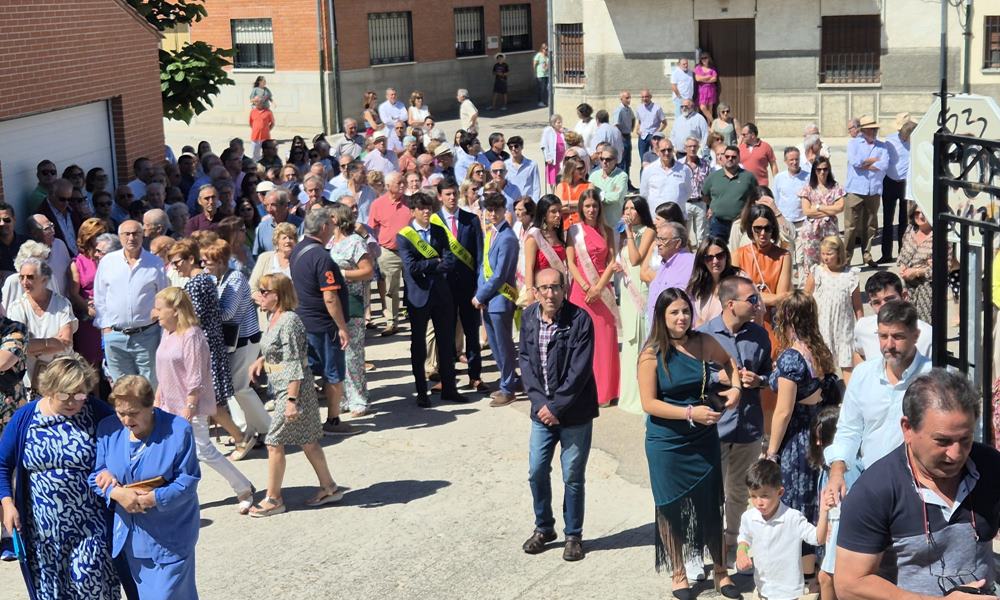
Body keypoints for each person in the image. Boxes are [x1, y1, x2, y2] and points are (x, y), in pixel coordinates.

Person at [836, 369, 1000, 599]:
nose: (955, 454)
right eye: (942, 441)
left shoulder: (991, 467)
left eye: (965, 440)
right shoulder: (875, 490)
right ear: (908, 429)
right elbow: (849, 586)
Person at [638, 287, 742, 599]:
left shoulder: (702, 342)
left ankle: (721, 572)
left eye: (685, 311)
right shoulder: (650, 353)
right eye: (674, 312)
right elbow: (649, 403)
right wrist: (688, 412)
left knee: (711, 505)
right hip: (666, 442)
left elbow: (729, 362)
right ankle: (678, 572)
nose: (682, 317)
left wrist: (735, 389)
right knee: (670, 508)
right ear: (662, 316)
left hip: (702, 436)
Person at [0, 356, 121, 598]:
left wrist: (111, 470)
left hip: (90, 527)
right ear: (49, 389)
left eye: (79, 395)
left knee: (92, 586)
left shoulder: (95, 411)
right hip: (42, 534)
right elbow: (2, 464)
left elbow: (123, 445)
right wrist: (7, 503)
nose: (73, 402)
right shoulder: (26, 418)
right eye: (65, 395)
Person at [90, 375, 200, 600]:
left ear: (150, 406)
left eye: (133, 413)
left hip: (173, 534)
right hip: (134, 540)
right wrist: (116, 492)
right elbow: (96, 476)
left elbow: (188, 481)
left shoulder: (178, 429)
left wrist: (152, 499)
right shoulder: (108, 429)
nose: (126, 420)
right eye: (121, 412)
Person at [518, 267, 598, 562]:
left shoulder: (580, 321)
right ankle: (544, 528)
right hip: (541, 412)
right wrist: (540, 403)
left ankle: (573, 535)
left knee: (573, 476)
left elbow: (579, 371)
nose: (550, 294)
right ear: (535, 292)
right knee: (537, 470)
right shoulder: (528, 318)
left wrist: (556, 406)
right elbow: (525, 361)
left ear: (565, 289)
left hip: (574, 412)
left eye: (555, 287)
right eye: (544, 288)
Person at [152, 287, 254, 514]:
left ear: (175, 310)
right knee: (171, 454)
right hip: (168, 404)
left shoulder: (192, 335)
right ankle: (177, 499)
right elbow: (163, 371)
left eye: (159, 309)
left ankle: (244, 487)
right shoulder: (166, 332)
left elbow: (195, 376)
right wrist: (158, 400)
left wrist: (189, 407)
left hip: (191, 405)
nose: (155, 313)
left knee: (203, 450)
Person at [248, 273, 342, 515]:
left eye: (264, 291)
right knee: (308, 440)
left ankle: (273, 499)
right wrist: (262, 360)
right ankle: (330, 488)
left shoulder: (289, 321)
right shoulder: (273, 317)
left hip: (291, 392)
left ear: (277, 296)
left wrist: (291, 401)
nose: (259, 295)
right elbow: (279, 350)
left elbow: (296, 362)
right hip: (284, 388)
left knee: (273, 442)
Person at [823, 301, 932, 506]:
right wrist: (837, 473)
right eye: (883, 336)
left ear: (915, 336)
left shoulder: (934, 376)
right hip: (871, 484)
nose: (889, 345)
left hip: (919, 491)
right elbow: (849, 430)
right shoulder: (863, 374)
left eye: (898, 337)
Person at [698, 276, 773, 559]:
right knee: (711, 491)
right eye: (751, 299)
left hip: (749, 426)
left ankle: (733, 542)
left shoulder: (759, 334)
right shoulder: (704, 336)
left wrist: (759, 380)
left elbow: (770, 374)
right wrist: (719, 377)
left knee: (742, 491)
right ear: (731, 304)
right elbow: (691, 380)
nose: (757, 304)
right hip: (716, 426)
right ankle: (709, 542)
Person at [165, 240, 244, 455]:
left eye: (177, 262)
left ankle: (241, 437)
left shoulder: (195, 283)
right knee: (211, 400)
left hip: (204, 347)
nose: (175, 267)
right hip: (211, 344)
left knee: (211, 401)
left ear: (191, 259)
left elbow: (194, 318)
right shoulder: (204, 280)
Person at [290, 207, 358, 436]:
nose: (333, 230)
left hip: (304, 321)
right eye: (331, 225)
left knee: (307, 372)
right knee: (334, 375)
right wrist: (341, 327)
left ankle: (305, 419)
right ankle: (333, 420)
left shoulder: (299, 250)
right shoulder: (322, 257)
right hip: (324, 325)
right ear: (323, 228)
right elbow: (330, 297)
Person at [396, 192, 466, 407]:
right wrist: (433, 263)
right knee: (419, 345)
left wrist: (432, 264)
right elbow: (411, 268)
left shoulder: (438, 230)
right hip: (418, 296)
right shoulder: (405, 236)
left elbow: (449, 261)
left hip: (441, 293)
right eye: (421, 208)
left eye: (428, 208)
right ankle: (421, 392)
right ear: (413, 211)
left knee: (446, 343)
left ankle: (449, 388)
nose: (426, 211)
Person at [736, 459, 830, 600]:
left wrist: (824, 512)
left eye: (764, 496)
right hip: (763, 588)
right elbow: (744, 537)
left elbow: (818, 538)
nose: (758, 502)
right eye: (753, 496)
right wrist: (741, 553)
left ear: (780, 492)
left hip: (789, 592)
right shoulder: (749, 517)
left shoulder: (793, 518)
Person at [94, 220, 168, 386]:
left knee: (150, 387)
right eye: (127, 234)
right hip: (115, 336)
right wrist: (106, 328)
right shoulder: (108, 262)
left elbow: (163, 297)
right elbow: (100, 297)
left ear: (143, 236)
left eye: (136, 233)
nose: (131, 238)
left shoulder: (155, 263)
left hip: (147, 335)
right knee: (122, 389)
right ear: (120, 237)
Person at [565, 190, 621, 407]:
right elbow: (570, 262)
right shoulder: (574, 231)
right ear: (581, 208)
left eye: (594, 206)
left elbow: (612, 260)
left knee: (605, 340)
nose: (591, 210)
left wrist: (598, 287)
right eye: (587, 206)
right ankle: (583, 390)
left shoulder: (607, 231)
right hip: (581, 290)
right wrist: (587, 286)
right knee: (582, 341)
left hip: (602, 289)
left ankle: (606, 390)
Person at [432, 179, 485, 390]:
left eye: (454, 193)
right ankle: (447, 378)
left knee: (471, 332)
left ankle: (475, 376)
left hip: (467, 285)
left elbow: (479, 255)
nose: (452, 198)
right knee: (445, 333)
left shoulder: (471, 220)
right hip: (444, 287)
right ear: (439, 197)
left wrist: (479, 286)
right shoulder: (434, 221)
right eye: (447, 194)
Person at [328, 203, 374, 416]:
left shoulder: (355, 242)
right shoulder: (328, 242)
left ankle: (359, 399)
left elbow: (367, 271)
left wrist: (343, 274)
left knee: (353, 354)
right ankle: (343, 397)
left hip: (351, 302)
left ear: (337, 219)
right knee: (336, 354)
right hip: (330, 302)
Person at [476, 192, 521, 407]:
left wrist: (480, 295)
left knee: (504, 346)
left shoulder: (508, 237)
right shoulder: (491, 233)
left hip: (501, 299)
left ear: (505, 210)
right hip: (489, 299)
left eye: (497, 210)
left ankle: (508, 387)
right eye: (489, 210)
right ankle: (507, 380)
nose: (493, 214)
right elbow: (483, 267)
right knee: (495, 346)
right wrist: (480, 293)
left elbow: (500, 274)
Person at [7, 258, 77, 389]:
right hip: (32, 380)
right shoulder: (16, 308)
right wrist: (51, 342)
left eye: (30, 277)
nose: (24, 282)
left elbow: (66, 343)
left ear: (44, 280)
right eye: (21, 277)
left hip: (62, 376)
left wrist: (34, 345)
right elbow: (20, 347)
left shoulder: (62, 304)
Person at [732, 204, 791, 360]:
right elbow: (735, 295)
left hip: (773, 321)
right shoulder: (739, 255)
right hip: (745, 322)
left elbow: (782, 296)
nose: (763, 233)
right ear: (750, 229)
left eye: (767, 228)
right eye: (757, 228)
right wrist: (769, 297)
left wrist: (752, 296)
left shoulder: (783, 256)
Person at [804, 235, 862, 381]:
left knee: (847, 362)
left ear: (839, 254)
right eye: (823, 254)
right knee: (821, 363)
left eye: (829, 254)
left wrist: (861, 326)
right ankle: (821, 394)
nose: (825, 257)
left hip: (843, 327)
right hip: (822, 325)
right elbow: (805, 298)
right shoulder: (817, 272)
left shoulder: (850, 275)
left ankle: (850, 397)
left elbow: (857, 305)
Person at [617, 196, 656, 414]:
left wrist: (630, 232)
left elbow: (635, 259)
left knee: (640, 336)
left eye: (633, 208)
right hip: (625, 288)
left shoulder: (647, 231)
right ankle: (628, 392)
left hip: (639, 291)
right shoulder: (625, 232)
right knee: (629, 338)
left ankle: (642, 394)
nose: (629, 212)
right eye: (627, 208)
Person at [852, 271, 933, 364]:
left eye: (889, 299)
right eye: (877, 303)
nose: (884, 307)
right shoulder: (863, 328)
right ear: (871, 304)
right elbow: (858, 353)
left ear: (904, 296)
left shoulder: (927, 334)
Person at [843, 115, 889, 267]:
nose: (874, 132)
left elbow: (884, 165)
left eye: (875, 129)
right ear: (863, 130)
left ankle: (867, 255)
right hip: (855, 190)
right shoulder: (853, 144)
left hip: (873, 191)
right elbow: (855, 162)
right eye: (871, 129)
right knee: (851, 226)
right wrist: (874, 160)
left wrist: (867, 163)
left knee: (870, 225)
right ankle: (847, 258)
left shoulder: (882, 146)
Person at [368, 172, 409, 335]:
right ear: (388, 186)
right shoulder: (377, 204)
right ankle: (392, 322)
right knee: (390, 289)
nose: (402, 185)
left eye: (403, 182)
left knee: (414, 286)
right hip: (388, 251)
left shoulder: (411, 202)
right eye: (399, 182)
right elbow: (372, 227)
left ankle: (418, 315)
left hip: (410, 252)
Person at [641, 221, 696, 334]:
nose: (658, 244)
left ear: (677, 243)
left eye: (663, 240)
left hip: (681, 334)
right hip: (657, 332)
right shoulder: (663, 265)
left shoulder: (691, 262)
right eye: (657, 239)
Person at [67, 218, 108, 370]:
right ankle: (95, 394)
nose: (102, 238)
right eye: (98, 235)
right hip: (89, 318)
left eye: (104, 234)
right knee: (91, 363)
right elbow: (73, 293)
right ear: (88, 237)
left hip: (110, 314)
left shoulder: (110, 258)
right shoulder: (77, 262)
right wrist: (88, 309)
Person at [797, 155, 846, 275]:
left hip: (830, 229)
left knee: (831, 258)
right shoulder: (808, 188)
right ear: (814, 171)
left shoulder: (835, 187)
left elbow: (840, 207)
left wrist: (819, 207)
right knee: (811, 262)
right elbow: (807, 211)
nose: (822, 172)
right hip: (811, 231)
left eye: (825, 169)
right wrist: (830, 210)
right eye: (819, 169)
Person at [701, 145, 757, 239]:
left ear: (739, 158)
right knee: (717, 250)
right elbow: (705, 195)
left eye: (734, 157)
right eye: (727, 156)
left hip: (740, 222)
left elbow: (755, 196)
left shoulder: (748, 177)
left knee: (738, 251)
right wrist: (714, 205)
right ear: (723, 158)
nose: (730, 159)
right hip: (718, 223)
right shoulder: (713, 177)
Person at [881, 115, 915, 262]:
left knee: (904, 221)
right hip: (889, 181)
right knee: (887, 221)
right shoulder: (889, 140)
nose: (904, 139)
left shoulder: (916, 141)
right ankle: (886, 254)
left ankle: (902, 254)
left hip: (905, 183)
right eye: (902, 135)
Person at [897, 203, 938, 324]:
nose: (920, 216)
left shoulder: (939, 236)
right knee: (905, 323)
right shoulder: (910, 229)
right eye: (917, 213)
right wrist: (903, 266)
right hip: (907, 286)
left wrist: (916, 271)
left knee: (924, 325)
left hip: (927, 288)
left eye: (924, 213)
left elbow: (942, 267)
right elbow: (903, 252)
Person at [688, 236, 740, 329]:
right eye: (709, 258)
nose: (715, 261)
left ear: (726, 256)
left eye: (720, 256)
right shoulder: (697, 285)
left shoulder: (740, 280)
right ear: (703, 261)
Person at [640, 137, 693, 212]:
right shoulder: (648, 170)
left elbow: (688, 192)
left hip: (677, 218)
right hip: (656, 218)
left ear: (673, 150)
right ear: (658, 151)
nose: (666, 153)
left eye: (669, 150)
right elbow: (644, 194)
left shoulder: (684, 169)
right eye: (663, 150)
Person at [681, 137, 712, 244]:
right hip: (686, 204)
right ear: (685, 148)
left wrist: (710, 206)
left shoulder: (705, 165)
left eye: (695, 146)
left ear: (698, 147)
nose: (692, 149)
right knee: (684, 235)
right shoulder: (679, 165)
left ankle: (701, 258)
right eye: (690, 146)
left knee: (701, 236)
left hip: (701, 203)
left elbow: (710, 186)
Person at [588, 147, 628, 229]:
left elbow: (615, 197)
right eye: (602, 159)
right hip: (596, 223)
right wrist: (606, 195)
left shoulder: (622, 176)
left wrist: (597, 194)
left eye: (608, 159)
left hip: (613, 224)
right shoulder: (593, 175)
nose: (604, 162)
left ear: (616, 160)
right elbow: (589, 197)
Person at [555, 157, 592, 227]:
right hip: (564, 226)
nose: (583, 170)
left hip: (583, 226)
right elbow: (558, 206)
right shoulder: (561, 186)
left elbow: (589, 204)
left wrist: (567, 205)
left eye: (583, 168)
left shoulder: (589, 185)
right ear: (571, 170)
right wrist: (580, 206)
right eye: (579, 168)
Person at [505, 136, 541, 202]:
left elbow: (536, 187)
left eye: (516, 146)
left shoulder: (532, 165)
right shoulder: (505, 165)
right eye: (510, 147)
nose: (513, 149)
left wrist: (535, 203)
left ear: (522, 147)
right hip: (511, 202)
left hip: (527, 202)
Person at [636, 90, 667, 164]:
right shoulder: (639, 108)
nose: (644, 99)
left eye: (646, 97)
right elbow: (640, 121)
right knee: (643, 160)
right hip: (643, 136)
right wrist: (637, 130)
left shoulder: (657, 108)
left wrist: (657, 132)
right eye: (642, 97)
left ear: (650, 97)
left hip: (653, 136)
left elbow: (664, 123)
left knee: (655, 158)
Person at [540, 114, 566, 188]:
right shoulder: (548, 131)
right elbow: (543, 145)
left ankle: (559, 191)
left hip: (561, 159)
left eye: (561, 122)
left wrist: (564, 132)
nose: (560, 124)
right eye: (558, 122)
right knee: (553, 178)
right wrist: (547, 157)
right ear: (553, 123)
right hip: (553, 159)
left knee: (561, 177)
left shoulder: (562, 132)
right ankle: (553, 192)